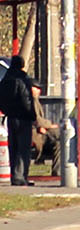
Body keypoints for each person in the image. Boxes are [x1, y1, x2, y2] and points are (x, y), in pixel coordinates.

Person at [0, 57, 36, 185]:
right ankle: (20, 176)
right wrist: (32, 115)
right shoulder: (22, 79)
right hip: (23, 117)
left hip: (10, 117)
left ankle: (14, 176)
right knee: (23, 148)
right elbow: (26, 98)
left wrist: (6, 111)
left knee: (13, 147)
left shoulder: (5, 80)